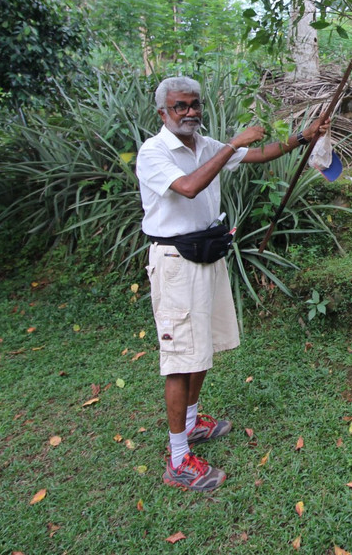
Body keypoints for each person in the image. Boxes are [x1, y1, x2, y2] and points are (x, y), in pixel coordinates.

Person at [136, 75, 328, 492]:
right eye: (180, 106)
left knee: (202, 346)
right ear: (163, 113)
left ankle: (192, 425)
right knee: (179, 358)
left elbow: (259, 154)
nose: (190, 112)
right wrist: (231, 144)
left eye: (194, 104)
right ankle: (177, 460)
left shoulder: (205, 146)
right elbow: (188, 187)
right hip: (174, 262)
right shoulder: (154, 153)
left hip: (208, 254)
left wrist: (301, 137)